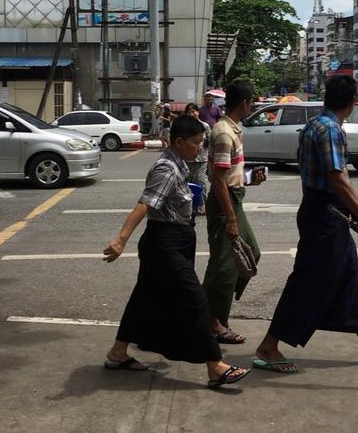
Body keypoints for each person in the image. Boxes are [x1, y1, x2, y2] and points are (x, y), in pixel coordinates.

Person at [254, 74, 358, 373]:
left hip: (324, 210)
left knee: (349, 276)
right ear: (352, 103)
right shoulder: (330, 130)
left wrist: (357, 211)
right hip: (324, 215)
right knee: (308, 282)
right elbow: (337, 178)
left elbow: (339, 181)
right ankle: (269, 345)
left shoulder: (313, 125)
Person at [102, 115, 250, 388]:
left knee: (144, 299)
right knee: (195, 300)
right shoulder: (166, 169)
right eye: (195, 143)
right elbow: (145, 203)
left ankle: (117, 352)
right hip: (164, 244)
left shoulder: (180, 164)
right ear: (179, 141)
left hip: (175, 241)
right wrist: (121, 239)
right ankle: (215, 366)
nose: (199, 148)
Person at [203, 80, 265, 344]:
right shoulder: (224, 133)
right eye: (252, 102)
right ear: (245, 103)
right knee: (224, 268)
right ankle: (214, 322)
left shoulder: (232, 129)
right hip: (224, 203)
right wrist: (229, 219)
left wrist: (250, 178)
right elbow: (217, 180)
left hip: (234, 197)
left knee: (251, 254)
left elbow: (228, 174)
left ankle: (210, 313)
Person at [185, 103, 210, 215]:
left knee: (201, 182)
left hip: (202, 159)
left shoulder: (204, 126)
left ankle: (203, 205)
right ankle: (190, 205)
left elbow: (210, 140)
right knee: (188, 183)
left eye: (194, 111)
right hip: (187, 159)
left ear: (198, 112)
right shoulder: (184, 127)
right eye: (189, 112)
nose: (192, 113)